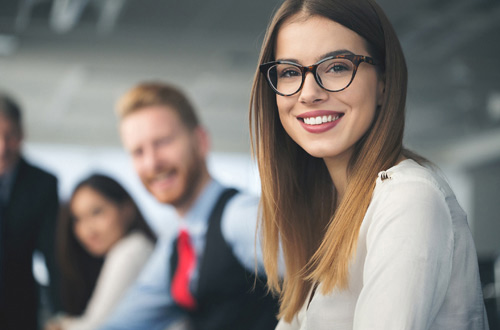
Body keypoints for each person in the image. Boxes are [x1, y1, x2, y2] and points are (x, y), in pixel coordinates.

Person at [249, 0, 489, 329]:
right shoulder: (332, 208)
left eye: (336, 66)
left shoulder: (407, 199)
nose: (309, 93)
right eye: (290, 72)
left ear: (383, 83)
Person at [100, 82, 279, 330]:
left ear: (201, 141)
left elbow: (326, 280)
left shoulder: (239, 217)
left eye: (162, 142)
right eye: (138, 152)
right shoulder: (176, 246)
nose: (152, 163)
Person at [45, 174, 156, 330]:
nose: (88, 229)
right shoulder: (138, 247)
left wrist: (62, 326)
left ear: (127, 209)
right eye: (78, 219)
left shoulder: (130, 250)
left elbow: (97, 326)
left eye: (97, 212)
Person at [0, 92, 60, 329]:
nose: (2, 147)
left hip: (19, 305)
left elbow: (53, 254)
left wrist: (60, 313)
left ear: (22, 134)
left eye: (10, 136)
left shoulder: (43, 183)